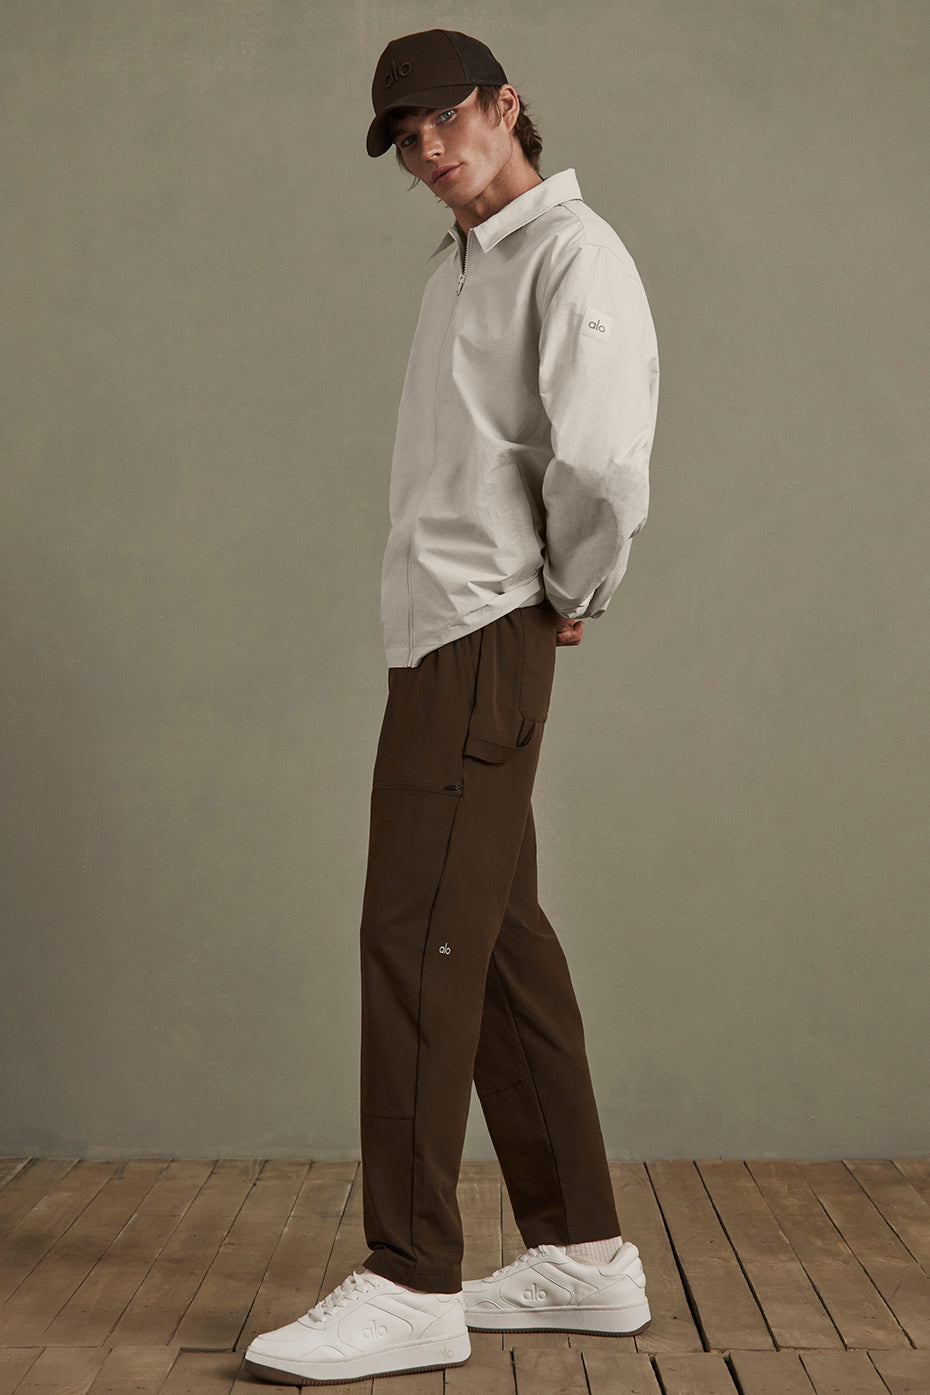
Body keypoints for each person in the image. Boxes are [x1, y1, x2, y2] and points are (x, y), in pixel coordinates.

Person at [245, 28, 659, 1386]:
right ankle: (583, 1254)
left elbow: (600, 458)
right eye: (404, 137)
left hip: (483, 628)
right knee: (488, 939)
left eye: (444, 119)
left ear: (505, 104)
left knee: (412, 937)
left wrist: (572, 585)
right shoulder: (464, 262)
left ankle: (412, 1278)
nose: (428, 149)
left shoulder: (570, 253)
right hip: (439, 632)